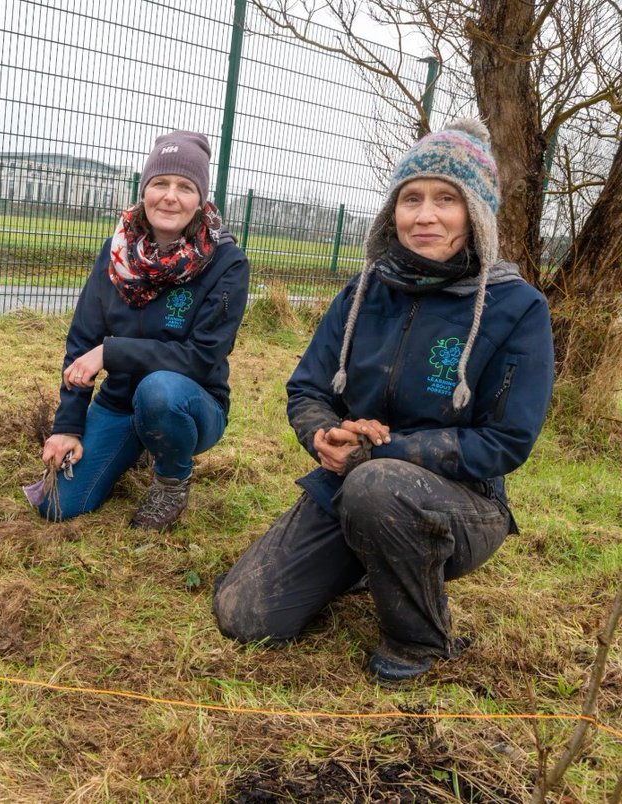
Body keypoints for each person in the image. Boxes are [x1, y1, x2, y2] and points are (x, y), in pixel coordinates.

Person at [211, 120, 555, 681]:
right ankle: (371, 554)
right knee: (246, 616)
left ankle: (419, 642)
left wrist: (383, 450)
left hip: (462, 503)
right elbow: (307, 387)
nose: (425, 216)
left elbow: (506, 440)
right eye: (410, 198)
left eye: (446, 199)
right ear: (392, 211)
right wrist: (323, 434)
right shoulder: (362, 292)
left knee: (376, 486)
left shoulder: (517, 308)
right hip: (353, 480)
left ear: (476, 213)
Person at [26, 131, 250, 531]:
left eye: (185, 187)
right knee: (56, 505)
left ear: (201, 199)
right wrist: (68, 426)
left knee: (158, 391)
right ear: (144, 190)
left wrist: (110, 352)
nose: (170, 197)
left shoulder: (226, 263)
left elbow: (201, 357)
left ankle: (171, 479)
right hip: (120, 403)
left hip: (190, 403)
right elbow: (82, 341)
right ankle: (141, 442)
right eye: (160, 183)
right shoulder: (116, 253)